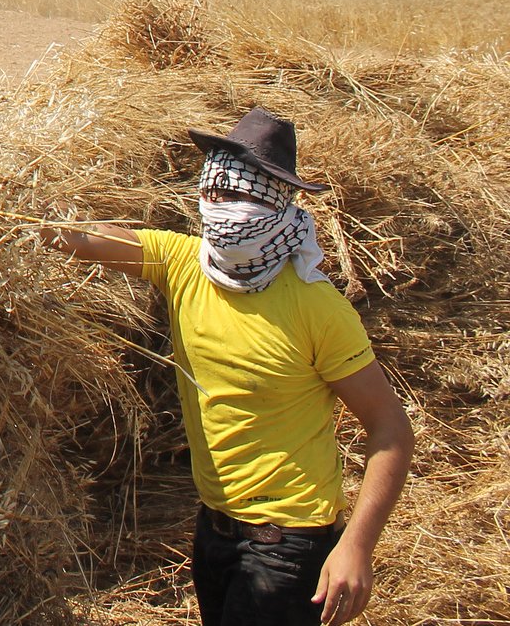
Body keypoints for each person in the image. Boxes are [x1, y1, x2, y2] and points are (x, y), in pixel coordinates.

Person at [42, 107, 412, 626]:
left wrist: (356, 547)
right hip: (214, 530)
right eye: (213, 194)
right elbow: (68, 236)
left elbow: (391, 430)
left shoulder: (317, 308)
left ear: (278, 204)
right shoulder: (182, 264)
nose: (221, 209)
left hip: (289, 543)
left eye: (239, 196)